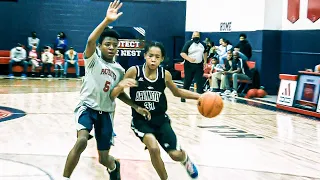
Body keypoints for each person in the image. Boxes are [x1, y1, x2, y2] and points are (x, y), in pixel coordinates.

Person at [62, 1, 150, 179]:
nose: (111, 47)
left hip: (107, 113)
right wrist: (106, 20)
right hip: (87, 107)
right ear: (100, 46)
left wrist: (136, 106)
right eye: (107, 44)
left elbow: (118, 94)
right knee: (81, 142)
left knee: (103, 159)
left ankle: (113, 165)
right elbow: (90, 41)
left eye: (114, 45)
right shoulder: (93, 59)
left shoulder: (119, 70)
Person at [111, 41, 200, 180]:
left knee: (175, 155)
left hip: (161, 120)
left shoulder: (165, 75)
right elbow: (119, 92)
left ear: (162, 59)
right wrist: (136, 107)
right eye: (150, 55)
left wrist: (200, 97)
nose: (153, 59)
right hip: (141, 121)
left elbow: (177, 92)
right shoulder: (134, 71)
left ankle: (185, 159)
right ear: (145, 55)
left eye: (157, 57)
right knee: (153, 148)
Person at [180, 31, 208, 102]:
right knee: (187, 81)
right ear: (192, 36)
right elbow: (182, 53)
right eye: (194, 35)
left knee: (199, 81)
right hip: (189, 65)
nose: (196, 36)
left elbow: (205, 52)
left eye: (197, 35)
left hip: (199, 65)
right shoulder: (188, 43)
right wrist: (189, 59)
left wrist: (205, 61)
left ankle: (200, 98)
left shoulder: (203, 44)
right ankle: (183, 96)